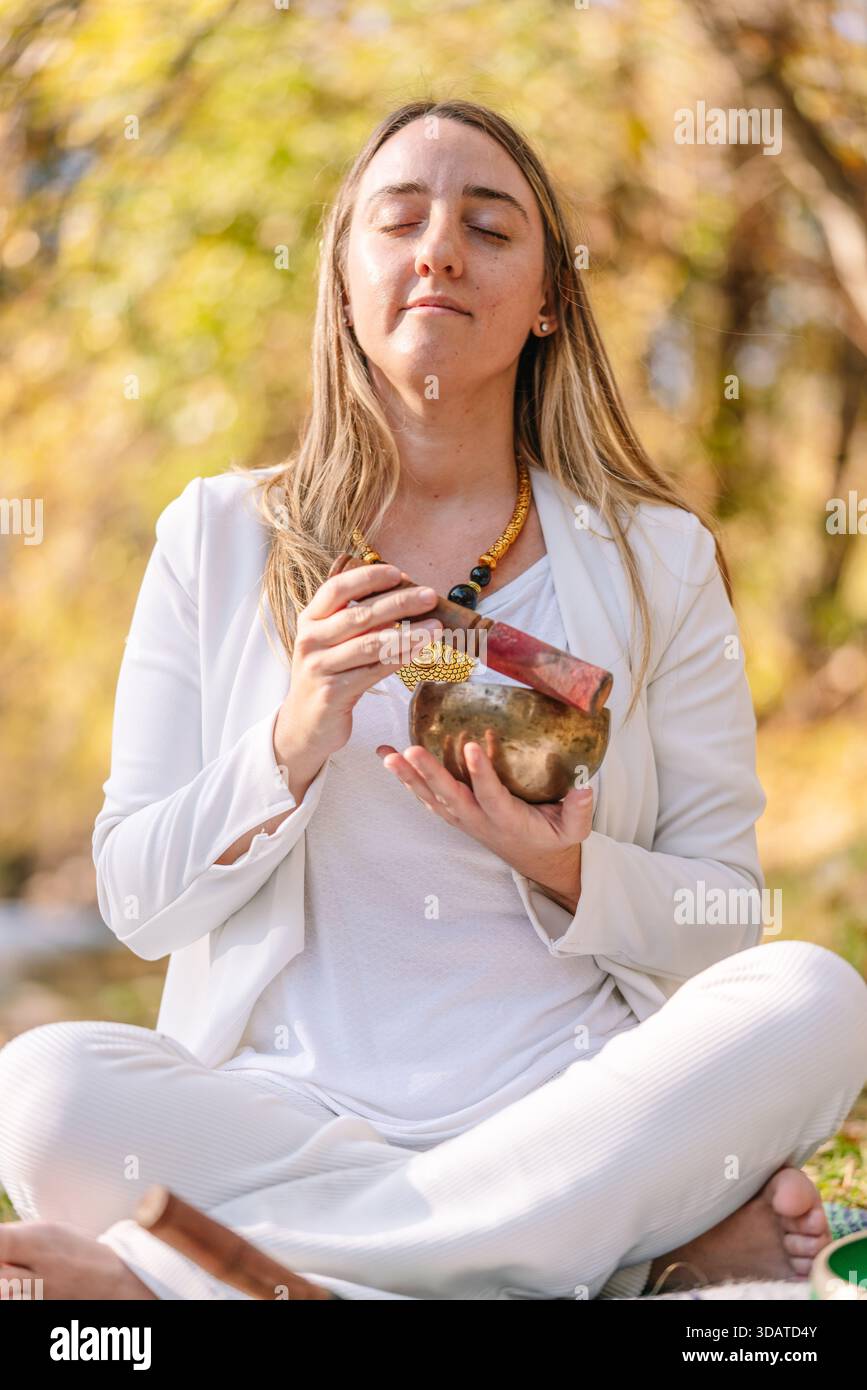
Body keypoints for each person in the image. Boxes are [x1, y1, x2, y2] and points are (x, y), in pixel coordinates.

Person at [1, 99, 866, 1302]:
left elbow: (724, 917)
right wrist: (292, 739)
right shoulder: (217, 533)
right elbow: (139, 900)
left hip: (572, 1098)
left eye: (490, 226)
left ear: (549, 298)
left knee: (816, 997)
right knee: (42, 1090)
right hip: (288, 1109)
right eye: (400, 219)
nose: (441, 248)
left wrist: (570, 872)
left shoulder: (654, 558)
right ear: (344, 281)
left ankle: (195, 1278)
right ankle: (610, 1264)